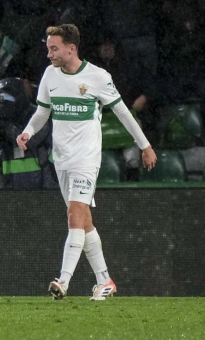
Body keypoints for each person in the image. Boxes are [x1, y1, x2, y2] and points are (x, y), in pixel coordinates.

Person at [16, 24, 157, 300]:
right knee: (85, 221)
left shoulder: (97, 76)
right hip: (62, 159)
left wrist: (145, 145)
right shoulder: (50, 75)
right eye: (48, 48)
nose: (49, 54)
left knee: (74, 215)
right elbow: (43, 112)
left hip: (86, 158)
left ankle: (63, 281)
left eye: (54, 48)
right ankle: (105, 281)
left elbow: (124, 113)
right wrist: (28, 131)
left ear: (72, 48)